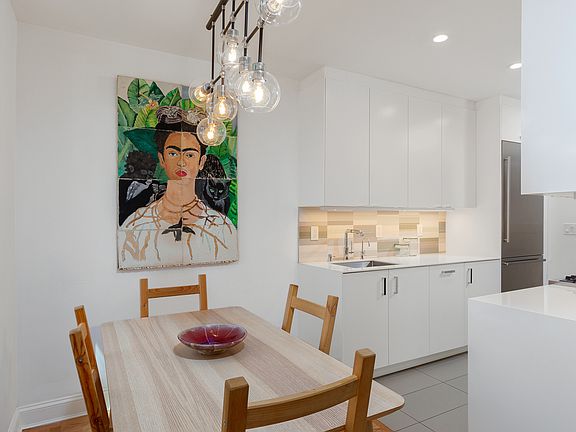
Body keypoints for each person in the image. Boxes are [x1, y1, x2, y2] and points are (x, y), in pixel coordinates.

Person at [119, 107, 238, 268]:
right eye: (173, 154)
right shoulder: (137, 224)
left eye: (189, 155)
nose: (181, 162)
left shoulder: (220, 226)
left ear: (201, 162)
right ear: (162, 159)